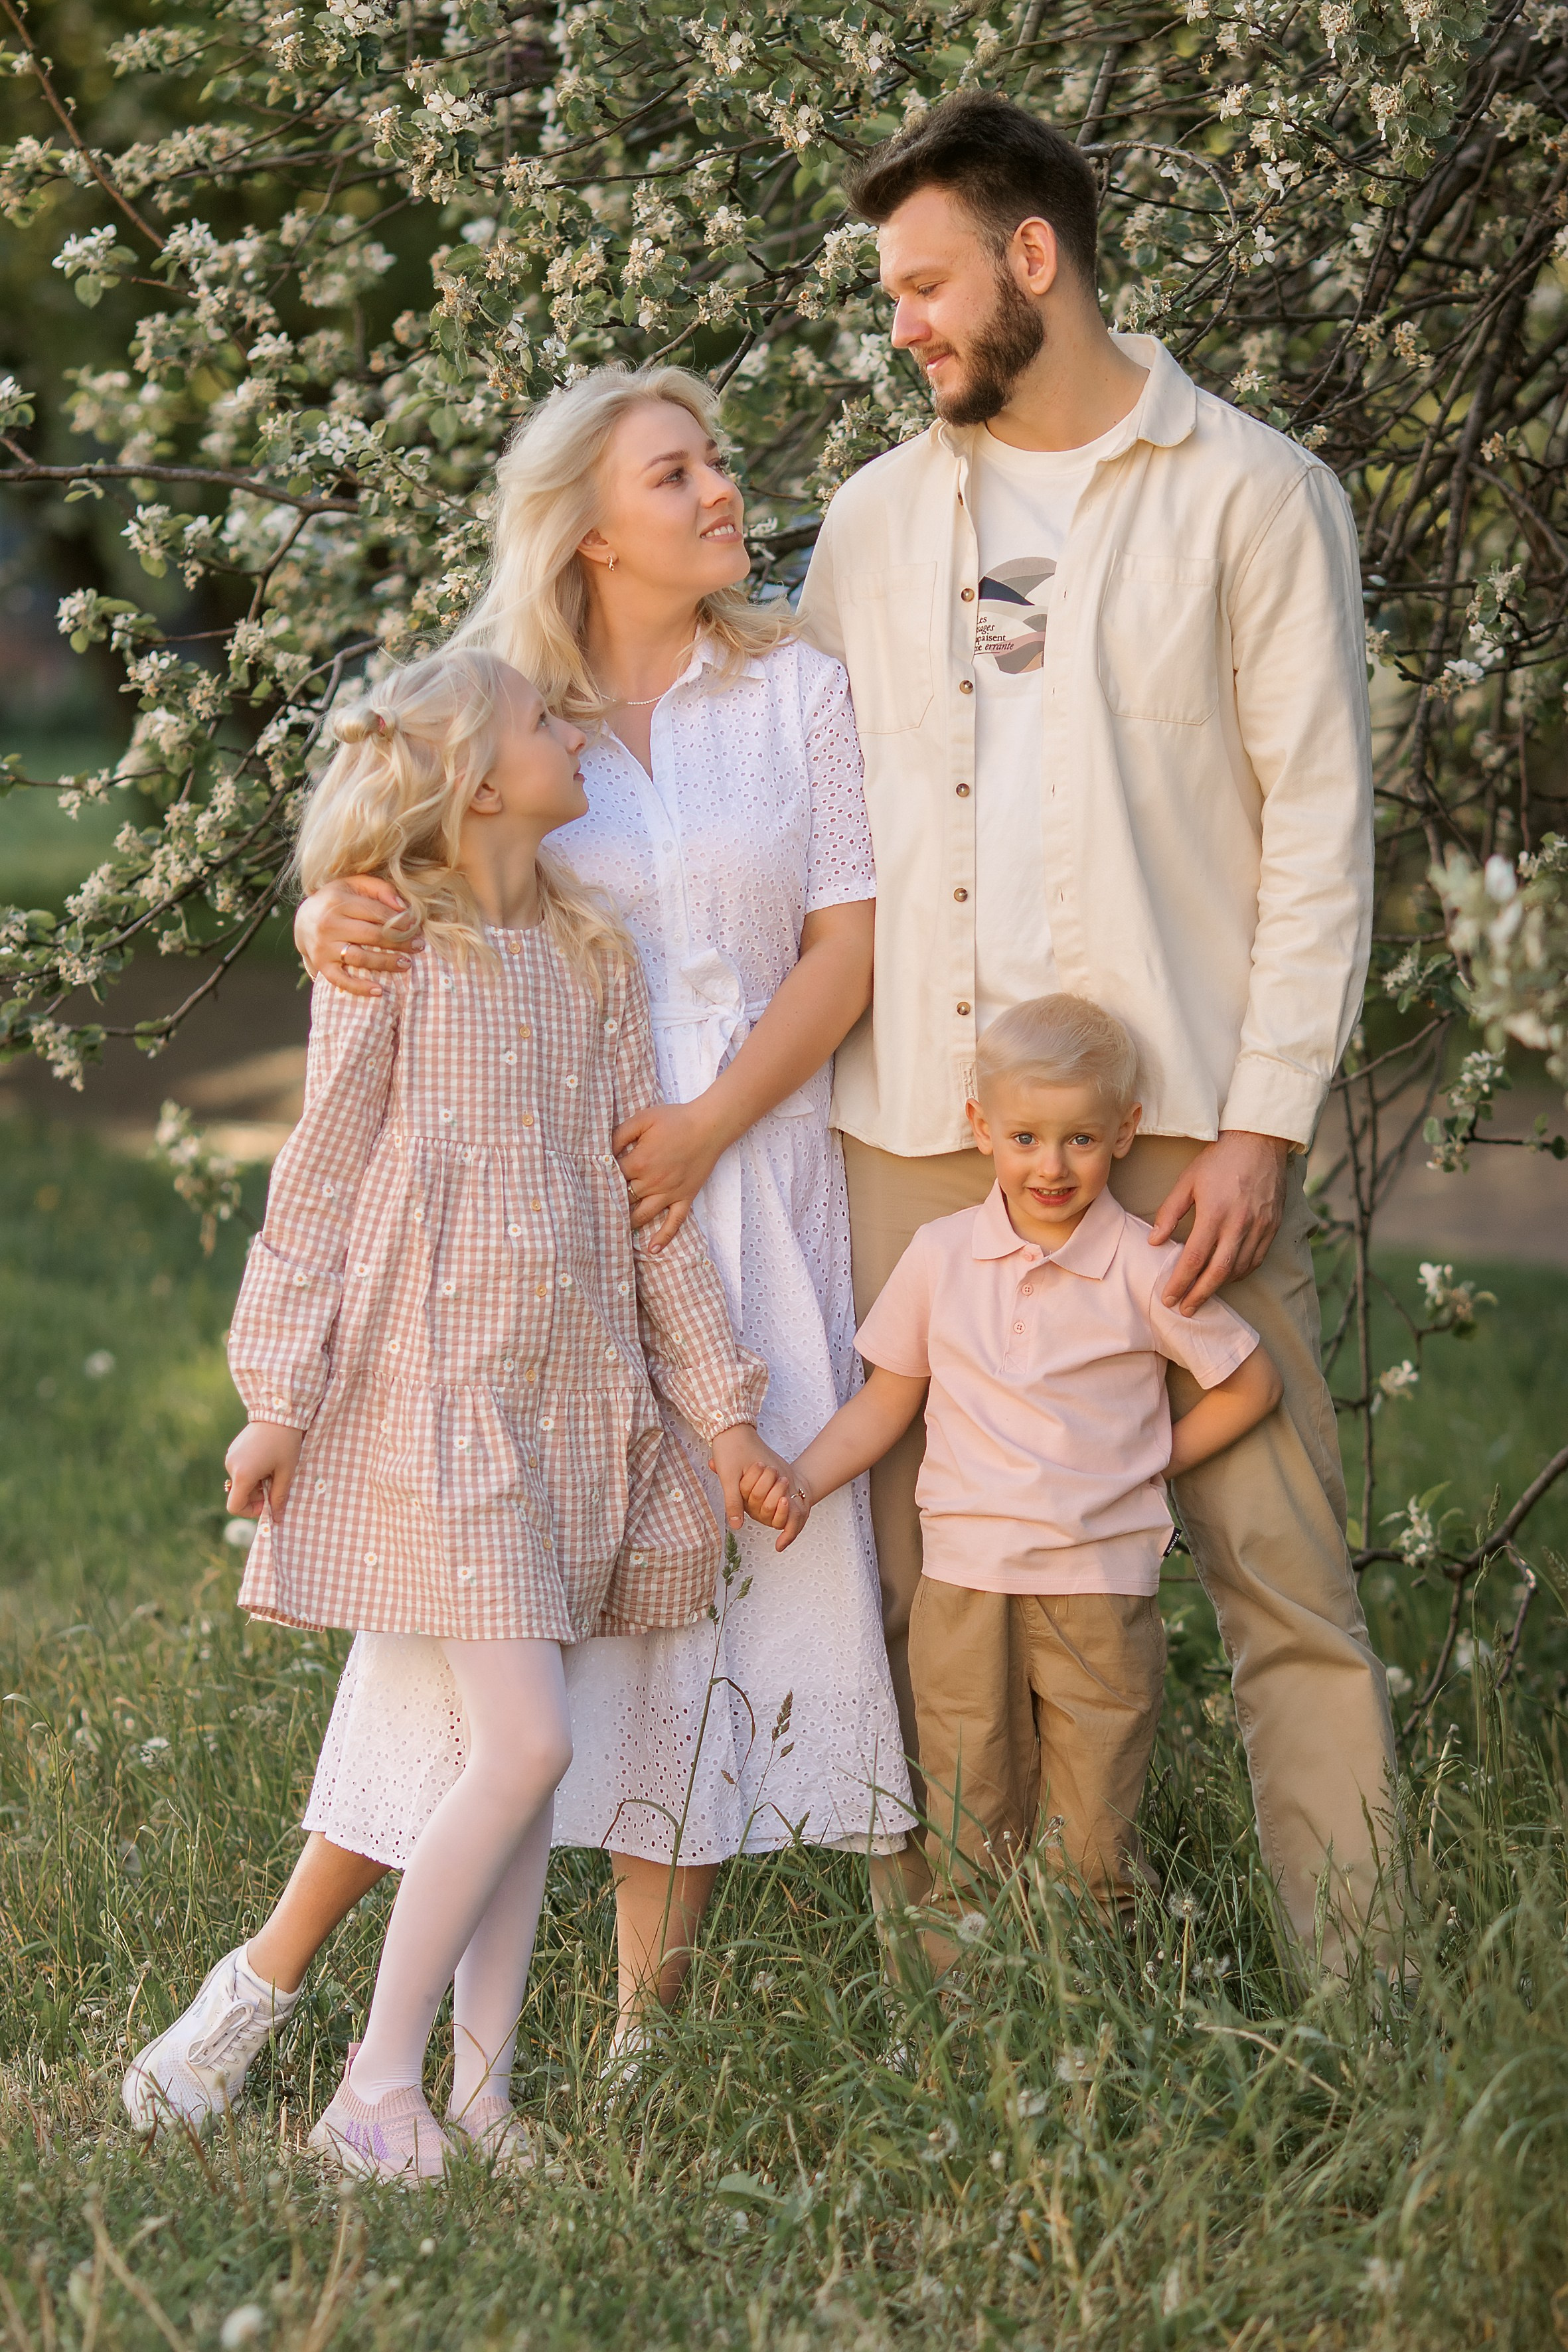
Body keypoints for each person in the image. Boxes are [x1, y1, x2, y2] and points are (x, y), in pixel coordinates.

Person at [123, 362, 914, 2136]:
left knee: (701, 1626)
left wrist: (705, 1137)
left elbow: (843, 950)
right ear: (582, 520)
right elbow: (393, 892)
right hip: (500, 1285)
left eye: (719, 460)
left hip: (730, 1197)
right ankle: (284, 2004)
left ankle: (613, 2042)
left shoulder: (791, 692)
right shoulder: (503, 712)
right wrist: (333, 905)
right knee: (466, 1681)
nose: (725, 491)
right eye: (677, 470)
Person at [791, 92, 1399, 1971]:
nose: (901, 325)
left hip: (1182, 1136)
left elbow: (1319, 828)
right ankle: (966, 1980)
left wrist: (1266, 1121)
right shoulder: (881, 522)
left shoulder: (1256, 495)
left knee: (1276, 1569)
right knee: (924, 1579)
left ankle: (1365, 1987)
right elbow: (786, 807)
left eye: (923, 284)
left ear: (1030, 259)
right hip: (919, 1130)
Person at [123, 643, 781, 2177]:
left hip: (569, 1414)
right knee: (531, 1745)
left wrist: (721, 1406)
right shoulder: (391, 952)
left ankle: (481, 2094)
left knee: (518, 1761)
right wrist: (276, 1397)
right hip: (438, 1414)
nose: (572, 732)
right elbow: (322, 1171)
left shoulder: (591, 954)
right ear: (485, 780)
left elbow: (643, 1209)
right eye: (547, 722)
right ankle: (374, 2087)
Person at [744, 996, 1282, 1960]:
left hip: (1098, 1588)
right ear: (981, 1127)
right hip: (966, 1584)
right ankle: (972, 2026)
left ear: (1124, 1132)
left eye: (1080, 1138)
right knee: (967, 1810)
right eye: (1026, 1137)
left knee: (1094, 1825)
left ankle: (1094, 2012)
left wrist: (1148, 1461)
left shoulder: (1141, 1263)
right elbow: (883, 1403)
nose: (1052, 1166)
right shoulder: (941, 1257)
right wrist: (800, 1477)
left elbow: (1248, 1383)